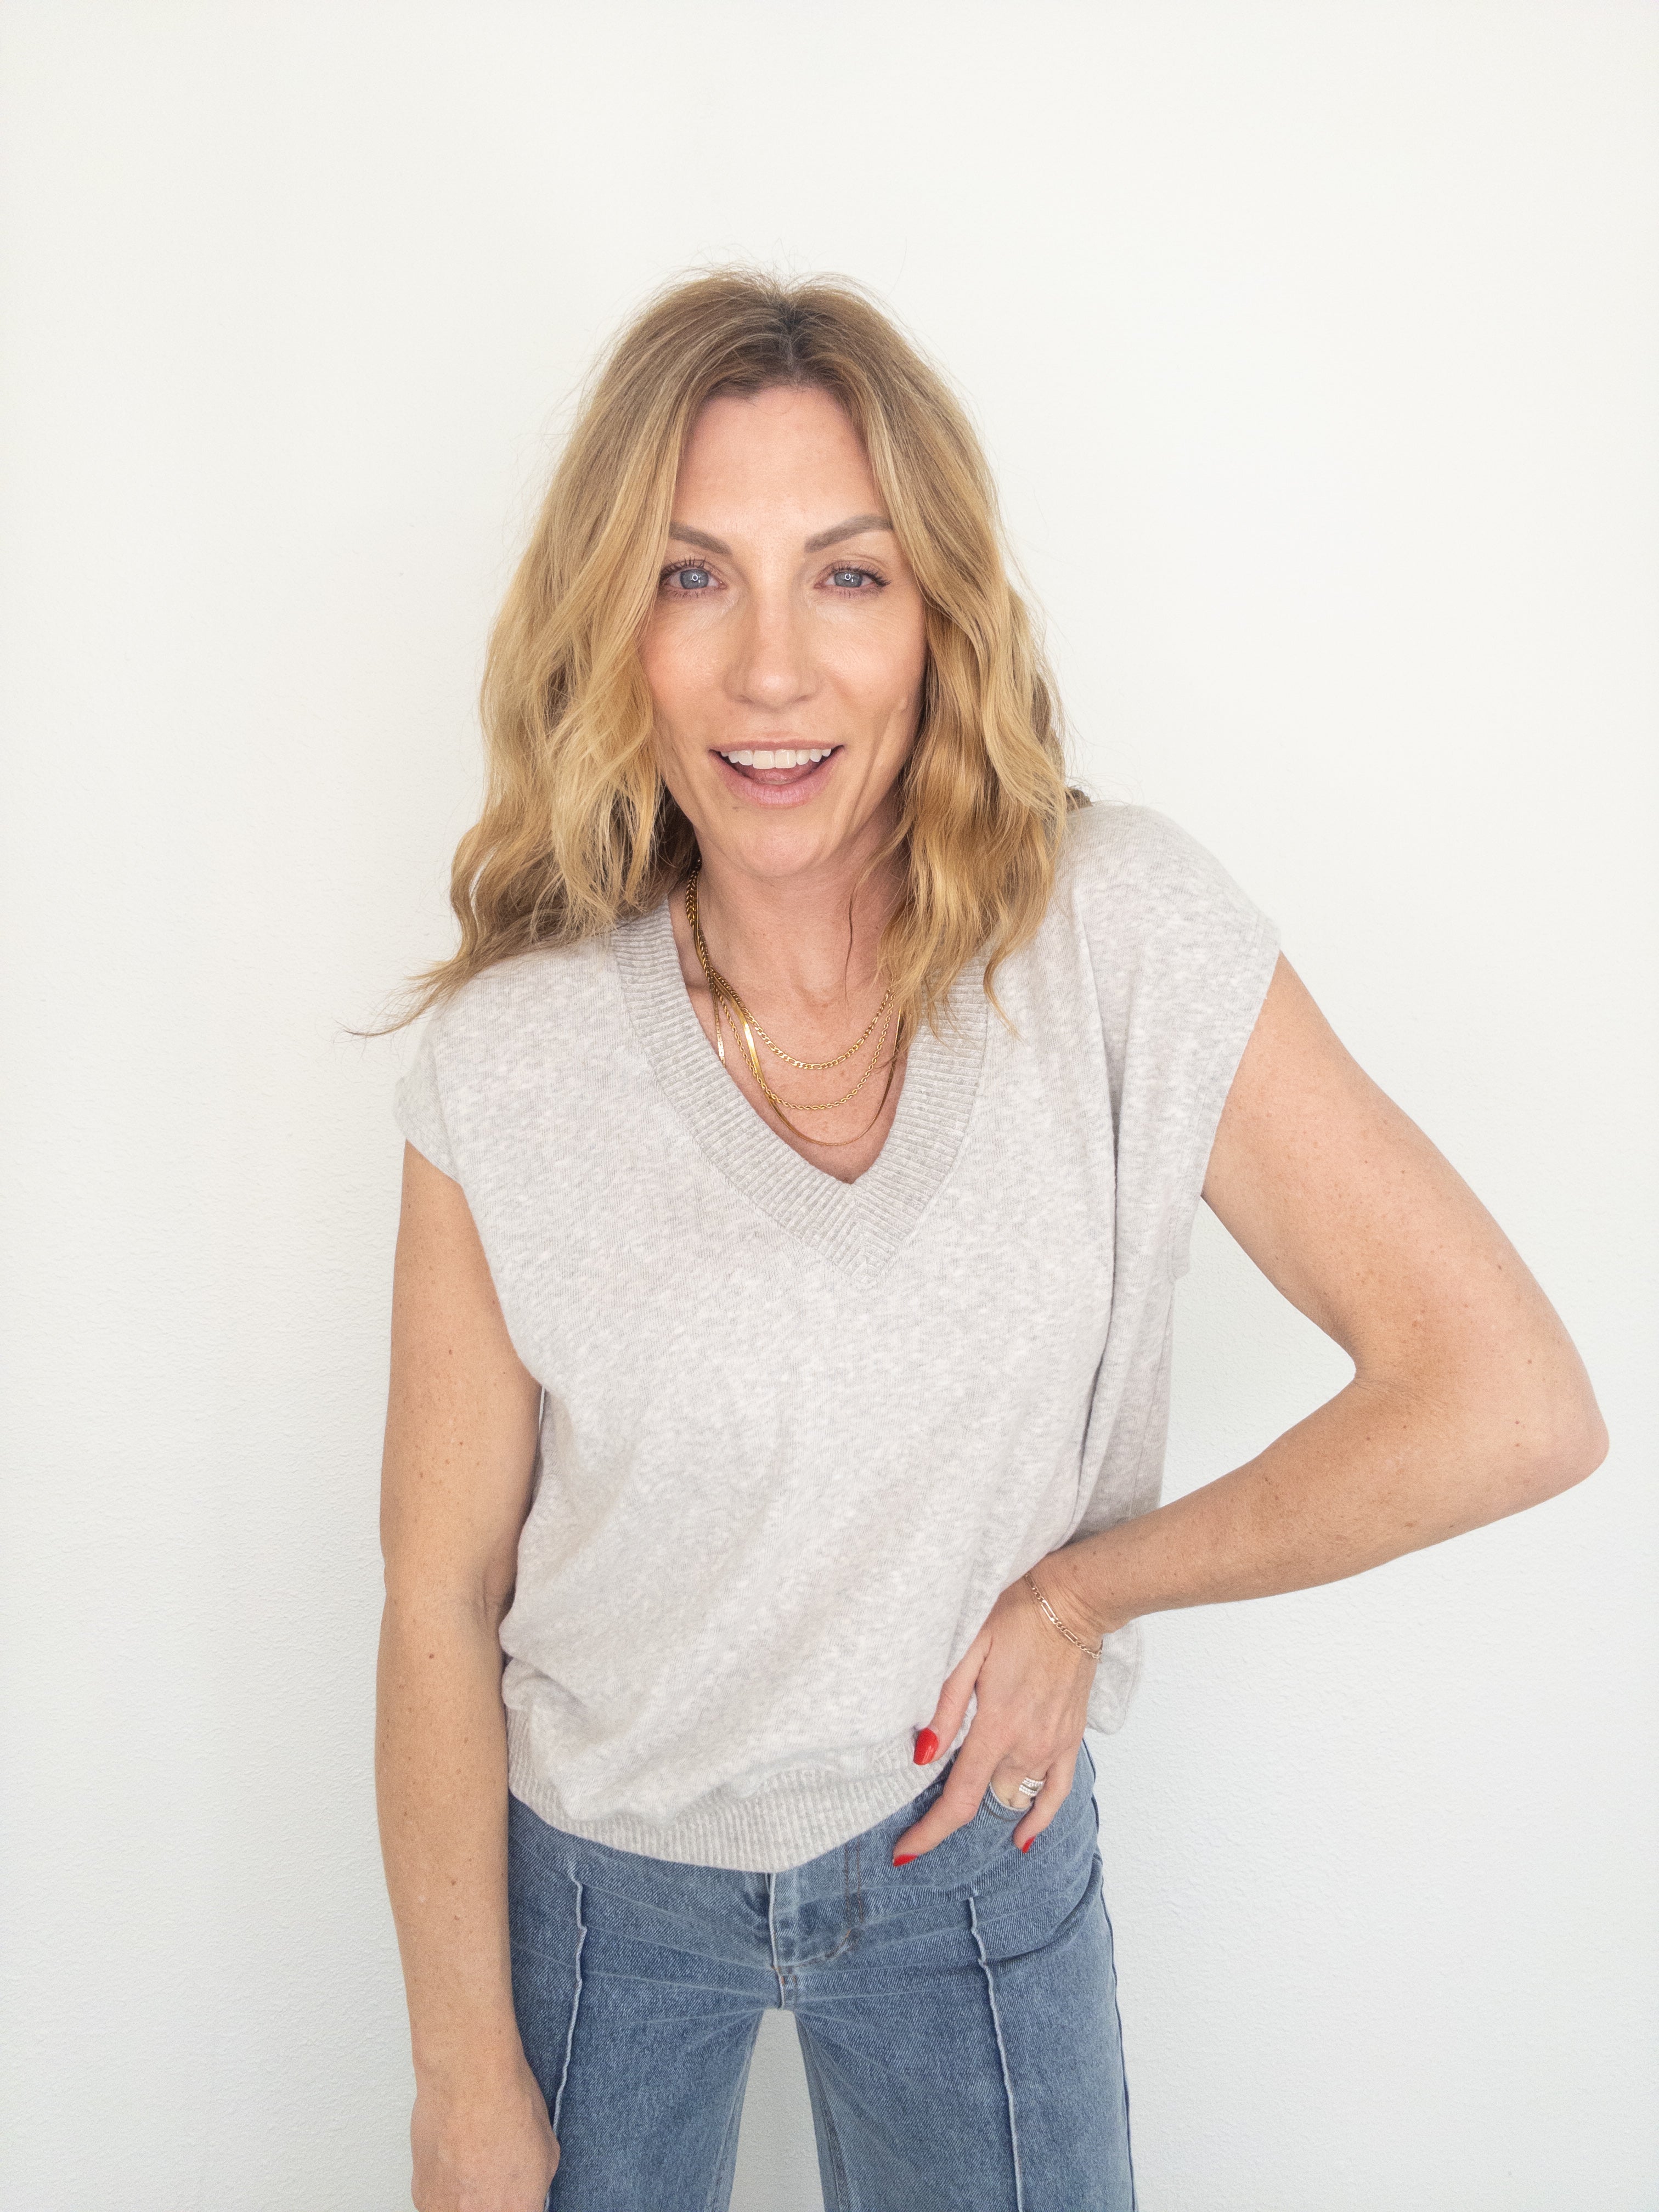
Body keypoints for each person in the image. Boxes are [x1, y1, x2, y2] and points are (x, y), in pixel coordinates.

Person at [373, 270, 1606, 2212]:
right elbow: (439, 1596)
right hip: (603, 1899)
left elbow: (1509, 1400)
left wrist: (1086, 1595)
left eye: (848, 577)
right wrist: (463, 2077)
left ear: (942, 618)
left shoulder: (1120, 939)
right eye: (695, 578)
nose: (773, 670)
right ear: (613, 629)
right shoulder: (510, 1064)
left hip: (974, 1861)